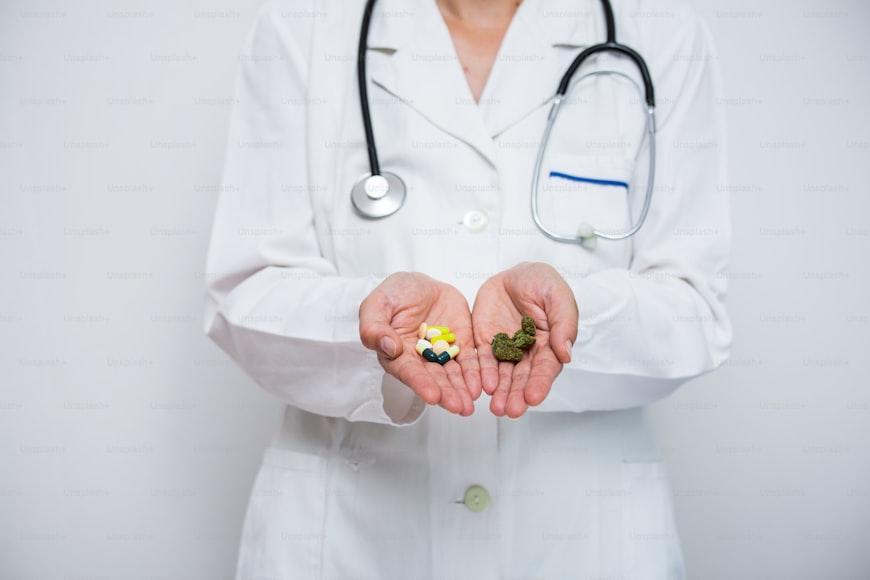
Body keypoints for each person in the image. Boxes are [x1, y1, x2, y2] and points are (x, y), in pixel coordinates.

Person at [204, 0, 731, 577]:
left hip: (580, 538)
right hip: (349, 538)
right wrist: (369, 321)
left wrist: (577, 313)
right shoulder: (300, 32)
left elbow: (694, 310)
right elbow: (247, 292)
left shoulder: (664, 37)